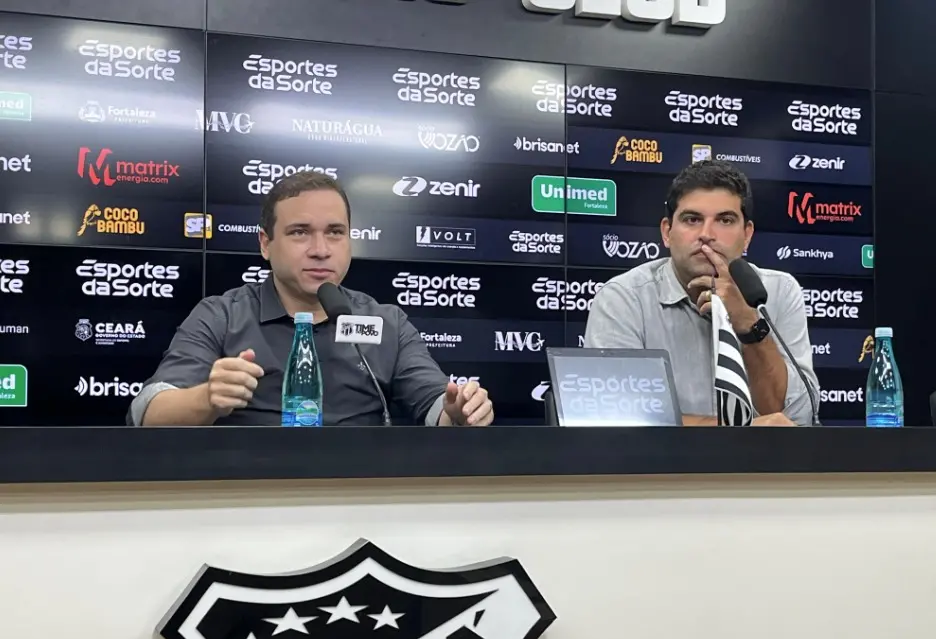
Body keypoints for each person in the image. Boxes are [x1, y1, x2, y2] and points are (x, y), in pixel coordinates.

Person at [128, 171, 494, 427]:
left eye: (335, 233)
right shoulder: (222, 316)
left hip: (364, 502)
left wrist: (460, 411)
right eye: (300, 232)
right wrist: (207, 398)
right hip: (247, 502)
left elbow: (436, 405)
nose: (321, 250)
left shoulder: (385, 322)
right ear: (265, 244)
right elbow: (148, 412)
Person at [584, 160, 819, 427]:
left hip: (764, 467)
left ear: (747, 235)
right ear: (667, 233)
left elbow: (797, 416)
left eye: (725, 220)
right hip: (658, 468)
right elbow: (617, 417)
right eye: (692, 219)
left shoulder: (778, 292)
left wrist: (747, 323)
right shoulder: (624, 298)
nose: (706, 234)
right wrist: (736, 433)